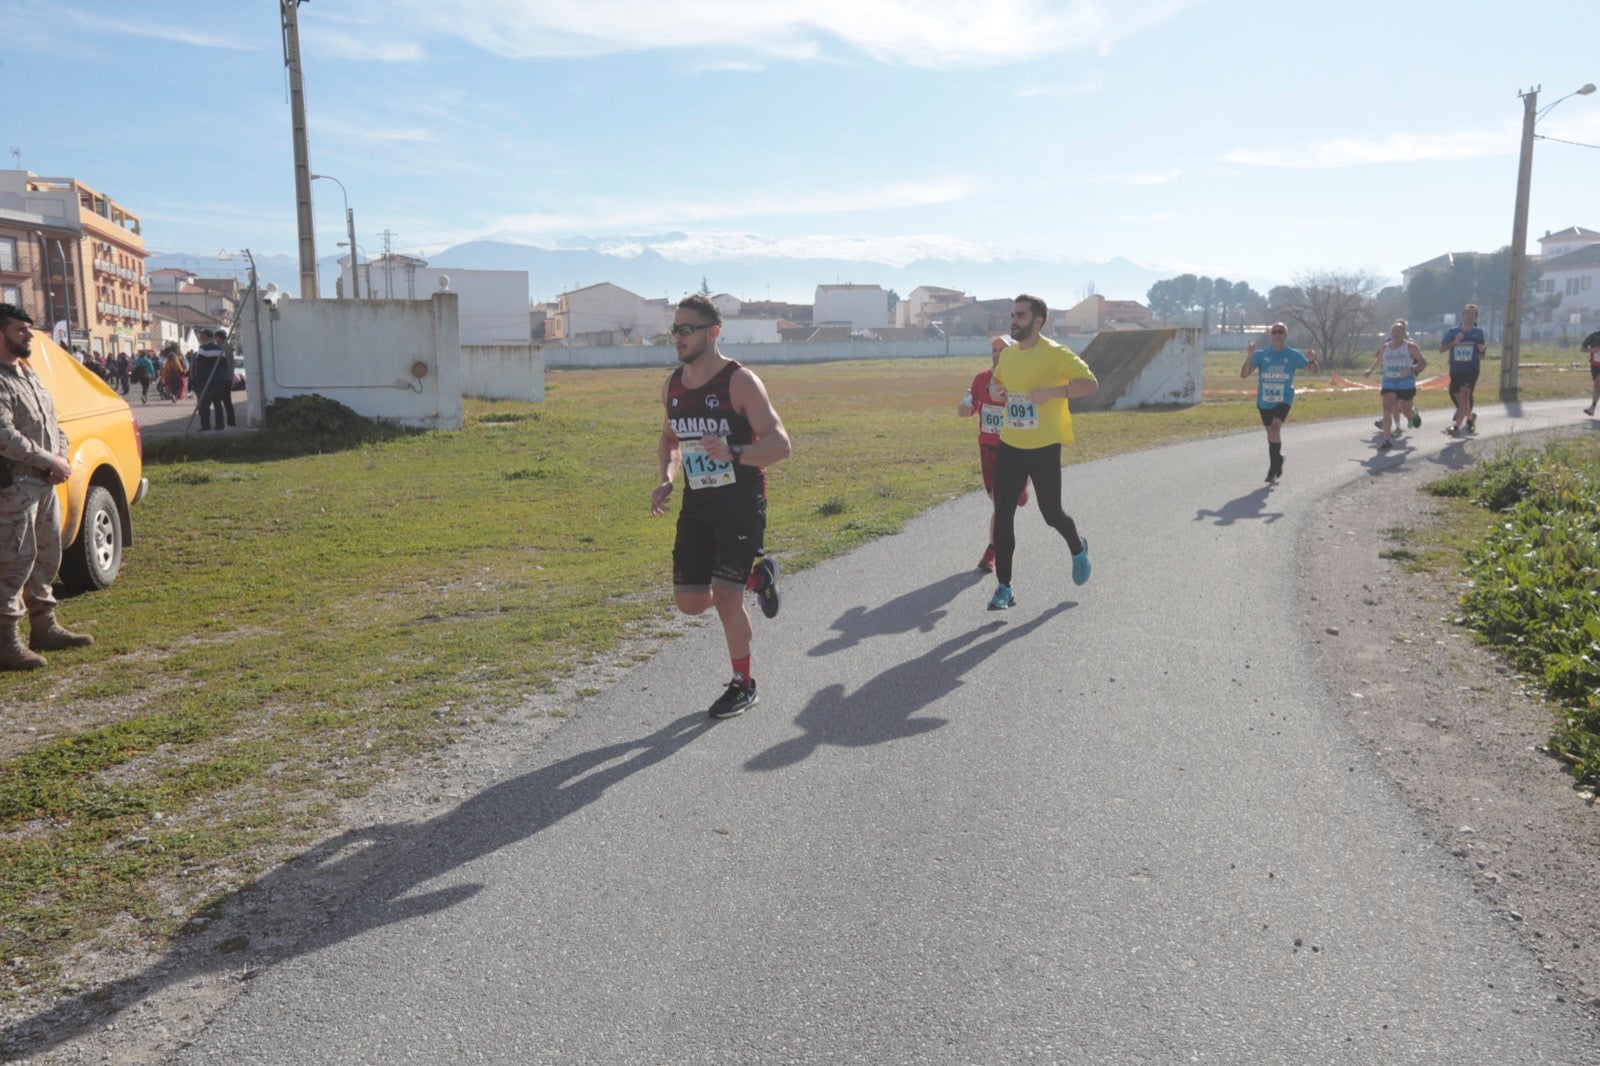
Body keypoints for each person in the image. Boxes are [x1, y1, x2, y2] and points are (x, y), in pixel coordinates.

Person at [650, 295, 792, 719]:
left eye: (686, 329)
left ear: (713, 332)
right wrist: (666, 477)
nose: (678, 337)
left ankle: (743, 683)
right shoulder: (672, 386)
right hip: (698, 502)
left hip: (740, 501)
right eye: (674, 329)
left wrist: (733, 451)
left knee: (725, 598)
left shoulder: (740, 381)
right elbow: (670, 439)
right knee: (690, 601)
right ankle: (755, 576)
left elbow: (780, 445)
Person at [984, 294, 1098, 610]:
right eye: (1012, 314)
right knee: (1003, 514)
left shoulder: (1055, 354)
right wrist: (995, 389)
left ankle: (1078, 547)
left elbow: (1090, 384)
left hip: (1044, 447)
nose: (1013, 320)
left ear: (1038, 320)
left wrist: (1054, 392)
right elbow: (996, 383)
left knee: (1052, 514)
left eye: (1020, 315)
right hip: (1010, 446)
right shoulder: (1008, 357)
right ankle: (1004, 587)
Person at [0, 304, 94, 670]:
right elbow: (4, 435)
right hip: (14, 486)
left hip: (43, 483)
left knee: (46, 556)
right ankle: (7, 643)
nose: (28, 335)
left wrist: (61, 457)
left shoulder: (28, 372)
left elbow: (53, 421)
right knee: (13, 563)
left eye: (29, 329)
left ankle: (45, 628)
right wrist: (47, 460)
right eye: (21, 329)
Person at [956, 334, 1030, 572]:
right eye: (995, 350)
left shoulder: (1021, 380)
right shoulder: (981, 379)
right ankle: (1018, 489)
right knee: (997, 501)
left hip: (1014, 447)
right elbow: (973, 407)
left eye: (1003, 350)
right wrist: (965, 410)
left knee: (1001, 505)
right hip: (987, 447)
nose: (997, 354)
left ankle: (992, 552)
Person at [1240, 322, 1318, 483]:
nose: (1276, 334)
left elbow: (1313, 370)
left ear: (1285, 335)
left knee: (1275, 430)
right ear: (1270, 335)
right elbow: (1244, 375)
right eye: (1274, 332)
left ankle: (1272, 469)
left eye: (1280, 332)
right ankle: (1278, 460)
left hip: (1284, 398)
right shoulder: (1261, 354)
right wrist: (1249, 356)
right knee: (1270, 433)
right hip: (1265, 400)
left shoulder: (1292, 354)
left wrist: (1312, 360)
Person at [1364, 321, 1427, 450]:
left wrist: (1411, 369)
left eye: (1399, 331)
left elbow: (1423, 363)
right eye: (1393, 331)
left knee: (1406, 411)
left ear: (1404, 333)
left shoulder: (1411, 347)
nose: (1395, 334)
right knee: (1387, 408)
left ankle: (1413, 415)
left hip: (1406, 384)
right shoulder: (1385, 346)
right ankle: (1386, 439)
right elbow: (1380, 359)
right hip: (1389, 382)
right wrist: (1370, 370)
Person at [1440, 304, 1485, 436]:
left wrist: (1482, 350)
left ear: (1475, 317)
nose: (1469, 316)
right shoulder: (1452, 332)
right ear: (1463, 315)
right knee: (1458, 397)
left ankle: (1457, 427)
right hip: (1456, 369)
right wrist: (1454, 342)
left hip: (1471, 369)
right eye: (1467, 313)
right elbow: (1441, 349)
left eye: (1472, 314)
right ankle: (1470, 418)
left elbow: (1482, 355)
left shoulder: (1478, 332)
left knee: (1465, 394)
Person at [190, 328, 229, 431]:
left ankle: (206, 426)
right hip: (219, 381)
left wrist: (197, 380)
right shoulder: (220, 349)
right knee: (218, 403)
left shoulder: (203, 349)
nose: (200, 337)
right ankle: (220, 426)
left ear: (208, 337)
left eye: (202, 335)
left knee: (204, 404)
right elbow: (224, 366)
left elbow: (200, 367)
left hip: (206, 381)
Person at [1583, 328, 1600, 417]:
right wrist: (1591, 350)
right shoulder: (1594, 336)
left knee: (1598, 382)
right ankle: (1592, 408)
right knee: (1597, 386)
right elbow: (1582, 348)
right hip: (1595, 365)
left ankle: (1592, 407)